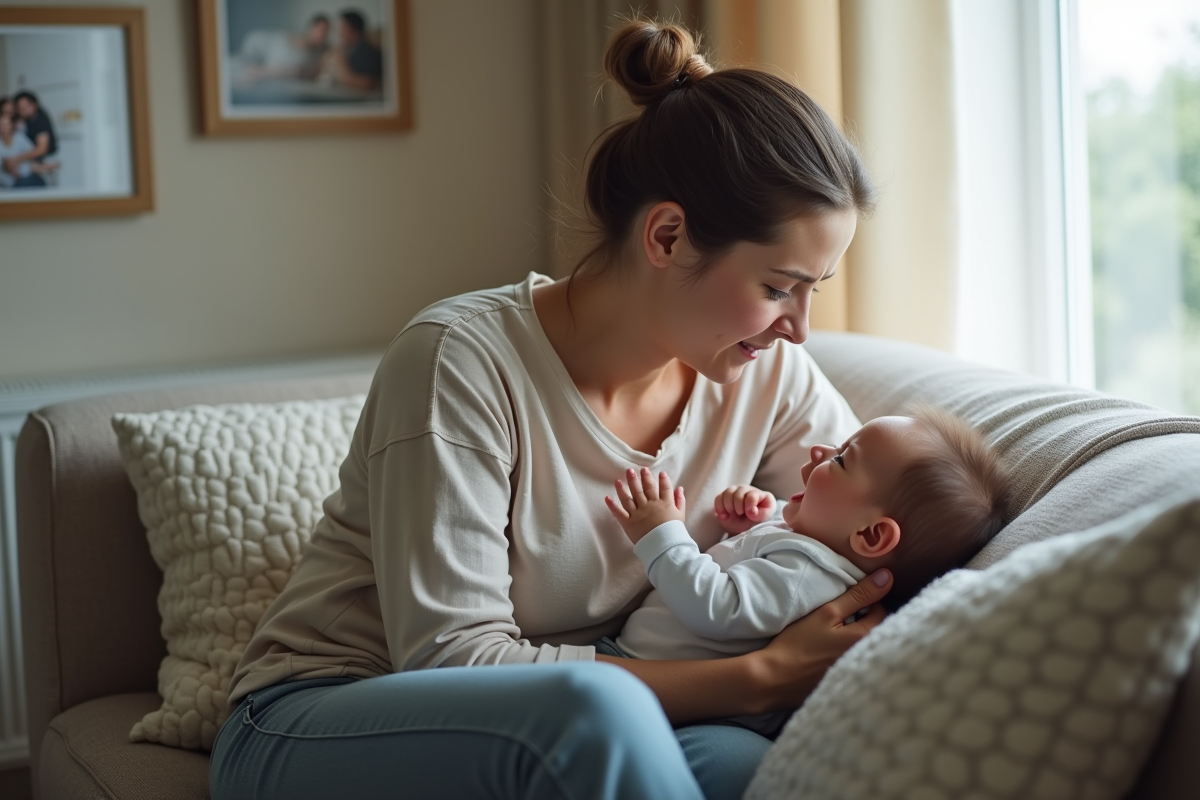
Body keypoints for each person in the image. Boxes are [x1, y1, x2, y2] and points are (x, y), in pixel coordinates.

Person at [211, 17, 885, 800]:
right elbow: (453, 664)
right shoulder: (459, 360)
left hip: (603, 705)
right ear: (668, 236)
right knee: (596, 713)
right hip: (329, 712)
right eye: (777, 288)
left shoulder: (768, 375)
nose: (799, 328)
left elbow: (874, 538)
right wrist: (755, 678)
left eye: (813, 291)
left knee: (744, 767)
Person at [603, 410, 1010, 734]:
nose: (820, 450)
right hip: (659, 676)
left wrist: (661, 535)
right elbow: (760, 567)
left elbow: (716, 606)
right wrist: (752, 521)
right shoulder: (814, 544)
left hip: (684, 701)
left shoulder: (810, 574)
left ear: (870, 535)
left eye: (841, 459)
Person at [234, 14, 331, 85]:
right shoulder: (280, 40)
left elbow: (301, 72)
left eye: (326, 32)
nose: (323, 35)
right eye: (321, 30)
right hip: (251, 73)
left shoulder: (321, 54)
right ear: (311, 27)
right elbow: (249, 63)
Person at [319, 9, 383, 90]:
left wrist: (340, 66)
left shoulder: (368, 52)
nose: (339, 33)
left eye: (342, 28)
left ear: (353, 29)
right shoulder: (349, 50)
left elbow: (366, 84)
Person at [3, 91, 56, 179]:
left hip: (41, 159)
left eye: (26, 106)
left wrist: (16, 160)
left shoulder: (40, 119)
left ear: (35, 105)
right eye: (20, 108)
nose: (23, 110)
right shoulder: (21, 121)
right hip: (24, 161)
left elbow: (42, 149)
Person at [0, 111, 48, 188]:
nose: (4, 128)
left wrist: (17, 160)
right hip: (8, 183)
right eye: (1, 125)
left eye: (6, 124)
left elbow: (32, 153)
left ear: (12, 125)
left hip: (27, 176)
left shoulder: (19, 138)